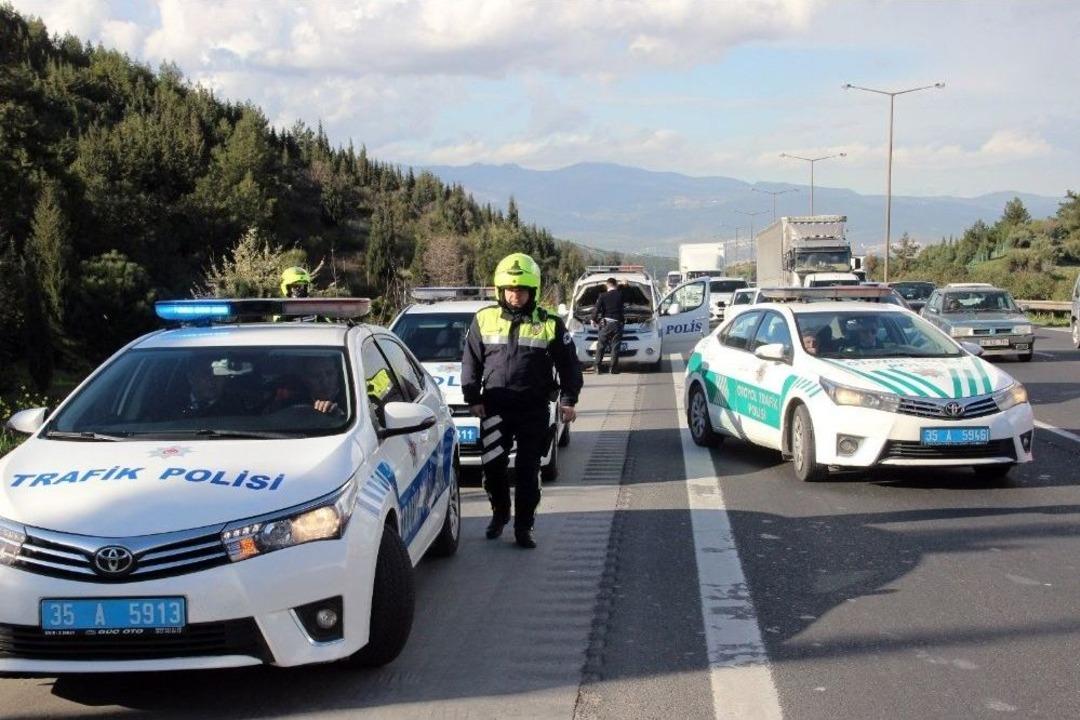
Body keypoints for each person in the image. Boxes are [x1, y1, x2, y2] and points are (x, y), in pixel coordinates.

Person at [461, 253, 583, 549]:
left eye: (522, 290)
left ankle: (524, 527)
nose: (516, 296)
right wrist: (472, 398)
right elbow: (470, 363)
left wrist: (568, 400)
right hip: (495, 407)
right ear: (500, 290)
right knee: (492, 466)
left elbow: (569, 365)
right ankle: (500, 513)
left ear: (533, 291)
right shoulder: (484, 319)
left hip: (533, 409)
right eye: (510, 290)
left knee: (529, 471)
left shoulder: (550, 323)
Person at [590, 277, 625, 374]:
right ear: (615, 285)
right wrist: (623, 284)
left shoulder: (602, 295)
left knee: (601, 346)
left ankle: (597, 367)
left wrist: (593, 319)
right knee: (615, 346)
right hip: (617, 324)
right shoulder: (620, 295)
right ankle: (613, 368)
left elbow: (596, 309)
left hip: (606, 324)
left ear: (607, 285)